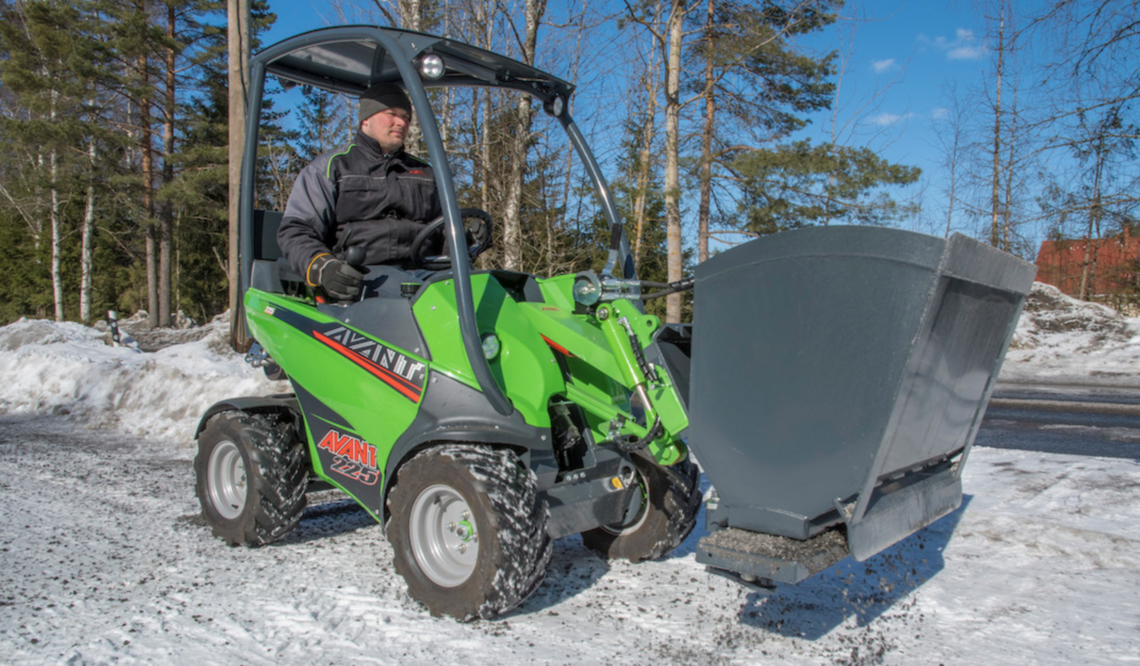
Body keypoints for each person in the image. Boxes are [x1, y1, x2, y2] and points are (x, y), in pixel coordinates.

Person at [277, 82, 442, 300]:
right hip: (364, 275)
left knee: (490, 290)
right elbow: (296, 231)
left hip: (424, 271)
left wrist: (467, 236)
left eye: (406, 116)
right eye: (391, 113)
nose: (401, 122)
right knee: (427, 303)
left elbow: (443, 229)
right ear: (366, 119)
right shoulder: (332, 167)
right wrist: (323, 267)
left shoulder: (425, 173)